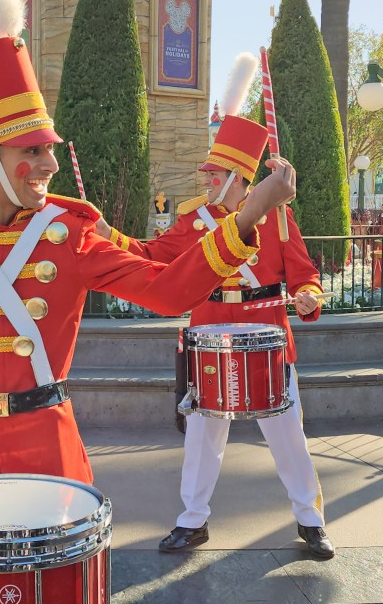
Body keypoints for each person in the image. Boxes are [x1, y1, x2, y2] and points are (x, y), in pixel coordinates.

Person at [0, 1, 295, 495]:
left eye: (49, 149)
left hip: (47, 445)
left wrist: (250, 214)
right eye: (32, 151)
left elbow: (169, 292)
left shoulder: (72, 233)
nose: (50, 164)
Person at [100, 106, 333, 558]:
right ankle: (193, 521)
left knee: (288, 434)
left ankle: (311, 519)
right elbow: (152, 254)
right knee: (203, 436)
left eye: (215, 173)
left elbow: (305, 275)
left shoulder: (281, 220)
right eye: (207, 173)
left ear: (240, 179)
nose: (206, 180)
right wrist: (110, 235)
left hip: (267, 334)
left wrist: (308, 296)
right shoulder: (193, 222)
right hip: (209, 334)